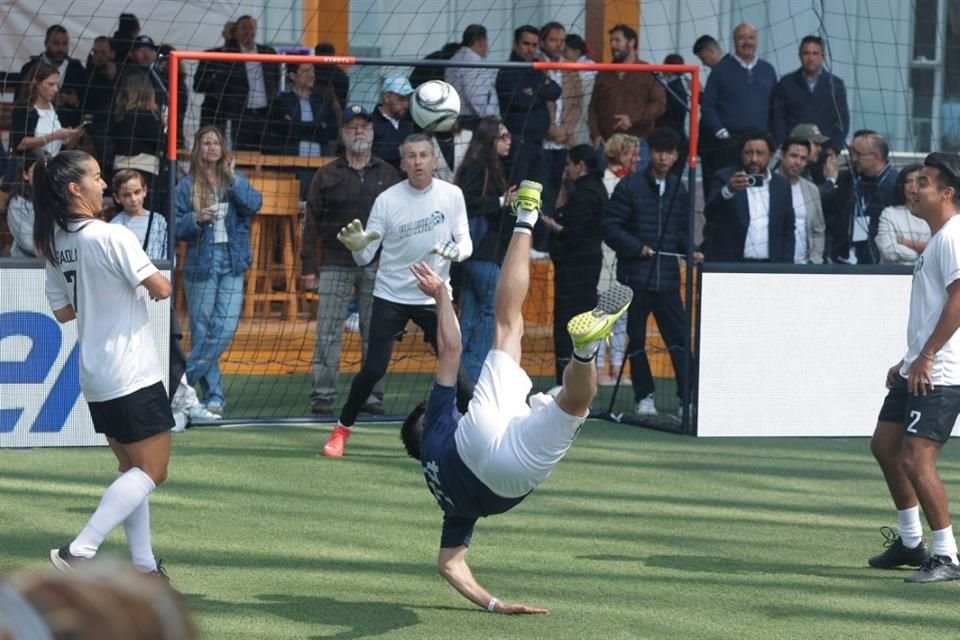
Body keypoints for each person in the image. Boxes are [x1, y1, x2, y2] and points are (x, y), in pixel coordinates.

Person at [400, 180, 634, 612]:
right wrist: (441, 297)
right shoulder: (437, 423)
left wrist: (493, 603)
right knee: (508, 328)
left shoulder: (445, 497)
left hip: (505, 479)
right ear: (424, 420)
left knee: (574, 404)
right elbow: (451, 348)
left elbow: (450, 565)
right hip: (476, 436)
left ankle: (584, 350)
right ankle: (526, 216)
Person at [33, 150, 173, 578]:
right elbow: (162, 289)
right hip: (132, 372)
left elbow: (63, 313)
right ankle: (81, 550)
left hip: (96, 375)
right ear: (74, 188)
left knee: (131, 471)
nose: (103, 184)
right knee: (153, 472)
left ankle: (146, 569)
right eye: (95, 176)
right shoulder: (111, 235)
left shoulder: (55, 241)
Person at [320, 134, 475, 458]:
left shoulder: (452, 195)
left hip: (435, 296)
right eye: (411, 156)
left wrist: (456, 251)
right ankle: (341, 430)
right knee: (374, 369)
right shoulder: (388, 199)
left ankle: (475, 436)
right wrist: (359, 248)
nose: (418, 161)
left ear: (434, 160)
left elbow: (466, 242)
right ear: (402, 163)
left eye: (424, 155)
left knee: (458, 374)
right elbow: (366, 258)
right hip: (390, 295)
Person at [868, 152, 960, 583]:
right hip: (920, 366)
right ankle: (910, 543)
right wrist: (906, 362)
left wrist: (925, 357)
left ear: (947, 193)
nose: (913, 186)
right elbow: (932, 310)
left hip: (942, 371)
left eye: (923, 181)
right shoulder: (938, 239)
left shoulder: (953, 236)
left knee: (916, 460)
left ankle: (947, 556)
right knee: (885, 446)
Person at [301, 105, 401, 415]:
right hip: (333, 262)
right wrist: (308, 267)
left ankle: (372, 398)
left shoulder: (389, 173)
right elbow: (311, 224)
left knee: (377, 333)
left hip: (378, 266)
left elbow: (399, 223)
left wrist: (395, 264)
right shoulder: (326, 173)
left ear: (372, 133)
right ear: (343, 134)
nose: (359, 131)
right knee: (328, 332)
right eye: (352, 126)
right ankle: (323, 396)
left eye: (364, 126)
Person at [111, 170, 221, 431]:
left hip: (156, 297)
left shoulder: (157, 221)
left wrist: (153, 285)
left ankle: (185, 401)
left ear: (145, 191)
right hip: (127, 300)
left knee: (170, 350)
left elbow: (163, 259)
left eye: (137, 192)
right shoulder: (114, 227)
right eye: (126, 194)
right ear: (116, 197)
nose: (133, 199)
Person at [603, 127, 699, 417]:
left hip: (668, 280)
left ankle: (688, 399)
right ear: (649, 153)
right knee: (637, 341)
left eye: (669, 153)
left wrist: (690, 250)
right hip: (636, 278)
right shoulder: (629, 186)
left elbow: (680, 233)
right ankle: (644, 396)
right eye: (658, 151)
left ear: (676, 156)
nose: (663, 158)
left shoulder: (679, 190)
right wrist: (637, 248)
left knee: (680, 341)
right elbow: (610, 228)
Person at [174, 126, 263, 416]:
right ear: (197, 149)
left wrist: (234, 177)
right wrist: (195, 218)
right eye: (205, 143)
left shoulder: (234, 180)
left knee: (224, 328)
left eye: (215, 143)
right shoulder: (186, 185)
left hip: (232, 261)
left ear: (223, 149)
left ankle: (178, 385)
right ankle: (214, 396)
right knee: (201, 331)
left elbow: (254, 204)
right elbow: (175, 227)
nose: (211, 147)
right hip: (201, 263)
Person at [455, 117, 516, 384]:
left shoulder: (480, 166)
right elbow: (466, 201)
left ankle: (455, 375)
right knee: (489, 311)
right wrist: (503, 201)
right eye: (503, 136)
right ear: (490, 140)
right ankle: (472, 376)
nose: (508, 141)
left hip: (473, 254)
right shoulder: (481, 168)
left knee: (469, 316)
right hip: (483, 252)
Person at [541, 144, 607, 382]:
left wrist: (553, 226)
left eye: (570, 163)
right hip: (589, 265)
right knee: (584, 324)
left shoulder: (583, 194)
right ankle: (582, 378)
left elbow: (573, 233)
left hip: (574, 268)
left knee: (566, 324)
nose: (566, 168)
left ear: (581, 166)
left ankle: (565, 381)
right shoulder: (596, 189)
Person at [702, 130, 795, 263]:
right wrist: (728, 190)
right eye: (748, 153)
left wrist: (786, 267)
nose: (754, 159)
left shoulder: (781, 185)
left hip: (771, 267)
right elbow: (710, 214)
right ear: (740, 154)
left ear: (771, 155)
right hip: (732, 266)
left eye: (760, 153)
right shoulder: (724, 178)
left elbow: (788, 229)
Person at [700, 24, 778, 172]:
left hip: (760, 144)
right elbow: (707, 105)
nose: (747, 42)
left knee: (756, 188)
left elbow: (776, 107)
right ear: (734, 41)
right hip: (729, 144)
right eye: (741, 38)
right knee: (730, 186)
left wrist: (773, 138)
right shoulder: (720, 70)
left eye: (751, 37)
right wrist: (721, 132)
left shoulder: (768, 70)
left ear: (756, 41)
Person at [596, 133, 639, 385]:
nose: (638, 158)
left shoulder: (634, 182)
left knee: (623, 313)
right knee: (604, 313)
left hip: (626, 257)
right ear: (621, 155)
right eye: (634, 153)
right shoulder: (605, 181)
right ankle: (600, 368)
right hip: (605, 254)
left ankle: (618, 367)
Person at [496, 25, 561, 190]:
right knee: (517, 193)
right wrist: (541, 90)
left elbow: (555, 90)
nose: (530, 49)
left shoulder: (535, 68)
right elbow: (520, 101)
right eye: (526, 44)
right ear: (515, 44)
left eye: (534, 45)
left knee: (534, 196)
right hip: (518, 145)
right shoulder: (507, 71)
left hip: (538, 143)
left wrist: (534, 91)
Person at [824, 129, 899, 265]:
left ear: (876, 157)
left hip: (879, 261)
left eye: (858, 154)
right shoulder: (849, 179)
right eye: (852, 153)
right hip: (845, 258)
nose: (853, 159)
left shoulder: (896, 184)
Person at [588, 24, 665, 149]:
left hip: (638, 142)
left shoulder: (648, 71)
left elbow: (659, 104)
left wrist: (633, 118)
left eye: (617, 41)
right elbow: (593, 108)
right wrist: (595, 134)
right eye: (611, 41)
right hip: (607, 143)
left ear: (631, 42)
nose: (613, 45)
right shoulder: (603, 73)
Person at [771, 35, 849, 152]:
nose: (811, 58)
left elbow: (843, 120)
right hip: (793, 151)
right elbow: (777, 119)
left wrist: (834, 148)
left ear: (823, 56)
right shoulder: (785, 83)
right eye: (806, 53)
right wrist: (783, 146)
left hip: (824, 152)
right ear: (799, 56)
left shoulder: (835, 85)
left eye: (815, 53)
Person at [538, 22, 582, 221]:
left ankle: (553, 236)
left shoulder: (571, 70)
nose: (558, 45)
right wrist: (550, 129)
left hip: (565, 140)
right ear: (543, 42)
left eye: (561, 41)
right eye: (553, 40)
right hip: (541, 140)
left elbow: (577, 104)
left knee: (560, 190)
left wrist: (566, 129)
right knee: (541, 190)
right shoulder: (535, 65)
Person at [221, 15, 280, 151]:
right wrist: (229, 40)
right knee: (242, 152)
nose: (248, 32)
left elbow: (275, 79)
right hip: (242, 114)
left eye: (251, 28)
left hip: (265, 113)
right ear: (236, 31)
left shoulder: (268, 52)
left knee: (266, 151)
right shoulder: (229, 53)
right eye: (244, 28)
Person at [109, 69, 165, 214]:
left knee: (124, 214)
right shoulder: (149, 116)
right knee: (144, 216)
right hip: (145, 170)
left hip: (120, 169)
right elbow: (160, 142)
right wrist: (165, 127)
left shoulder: (118, 116)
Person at [17, 24, 87, 127]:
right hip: (35, 126)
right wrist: (45, 98)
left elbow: (85, 99)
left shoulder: (76, 69)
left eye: (64, 44)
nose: (61, 48)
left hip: (69, 128)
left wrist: (75, 101)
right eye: (56, 43)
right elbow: (20, 100)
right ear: (46, 43)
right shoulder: (30, 68)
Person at [10, 62, 82, 156]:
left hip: (56, 165)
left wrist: (74, 137)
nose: (55, 89)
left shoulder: (59, 110)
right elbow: (20, 144)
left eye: (56, 85)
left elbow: (67, 147)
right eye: (50, 84)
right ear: (36, 83)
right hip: (32, 166)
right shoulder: (24, 109)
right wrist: (54, 136)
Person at [776, 137, 826, 264]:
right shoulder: (768, 184)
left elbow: (819, 229)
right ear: (782, 155)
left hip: (804, 265)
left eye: (803, 158)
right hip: (774, 265)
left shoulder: (811, 189)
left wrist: (815, 260)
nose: (798, 162)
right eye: (793, 156)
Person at [445, 24, 499, 130]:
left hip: (456, 119)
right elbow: (476, 96)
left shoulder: (454, 59)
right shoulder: (473, 63)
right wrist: (493, 121)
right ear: (481, 41)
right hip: (474, 122)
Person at [876, 164, 930, 265]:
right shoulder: (889, 214)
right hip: (893, 276)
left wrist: (905, 242)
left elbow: (938, 250)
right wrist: (917, 254)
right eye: (909, 181)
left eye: (919, 182)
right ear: (902, 186)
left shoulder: (935, 215)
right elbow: (888, 250)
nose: (913, 187)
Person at [193, 21, 237, 130]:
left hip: (238, 111)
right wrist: (215, 76)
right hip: (213, 111)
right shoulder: (210, 56)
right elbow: (198, 86)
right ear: (224, 33)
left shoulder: (248, 57)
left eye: (236, 31)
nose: (233, 35)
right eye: (231, 31)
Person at [372, 75, 417, 170]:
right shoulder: (369, 123)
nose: (406, 104)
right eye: (401, 99)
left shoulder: (408, 124)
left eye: (407, 99)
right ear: (387, 97)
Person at [7, 152, 44, 258]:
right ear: (25, 175)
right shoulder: (17, 202)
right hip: (27, 264)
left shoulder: (59, 200)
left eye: (45, 171)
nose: (41, 175)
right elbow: (28, 242)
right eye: (35, 171)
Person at [562, 33, 596, 146]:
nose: (563, 55)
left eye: (565, 51)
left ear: (576, 52)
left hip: (583, 120)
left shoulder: (586, 70)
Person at [314, 42, 349, 111]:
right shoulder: (341, 74)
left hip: (317, 110)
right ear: (333, 55)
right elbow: (343, 101)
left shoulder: (310, 71)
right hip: (335, 112)